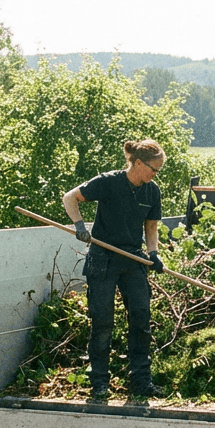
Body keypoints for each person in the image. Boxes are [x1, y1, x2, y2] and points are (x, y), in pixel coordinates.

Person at [61, 138, 167, 399]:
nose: (156, 175)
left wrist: (153, 254)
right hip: (103, 258)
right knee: (102, 322)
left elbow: (150, 228)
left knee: (141, 318)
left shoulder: (152, 192)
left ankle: (141, 382)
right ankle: (99, 383)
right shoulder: (108, 182)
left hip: (133, 259)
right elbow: (69, 198)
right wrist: (80, 226)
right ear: (138, 163)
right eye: (154, 169)